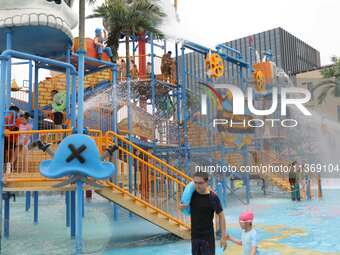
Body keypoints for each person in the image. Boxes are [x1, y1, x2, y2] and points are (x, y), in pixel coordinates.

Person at [180, 171, 227, 255]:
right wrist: (181, 207)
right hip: (195, 237)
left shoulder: (213, 197)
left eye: (200, 183)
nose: (197, 185)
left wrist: (223, 236)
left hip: (208, 238)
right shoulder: (192, 195)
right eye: (195, 183)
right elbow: (183, 208)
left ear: (206, 183)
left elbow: (221, 215)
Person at [4, 105, 21, 172]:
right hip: (7, 139)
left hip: (15, 139)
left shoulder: (18, 120)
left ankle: (13, 167)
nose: (14, 113)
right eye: (11, 112)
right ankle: (7, 167)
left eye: (16, 112)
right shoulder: (6, 119)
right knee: (7, 153)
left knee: (13, 153)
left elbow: (16, 129)